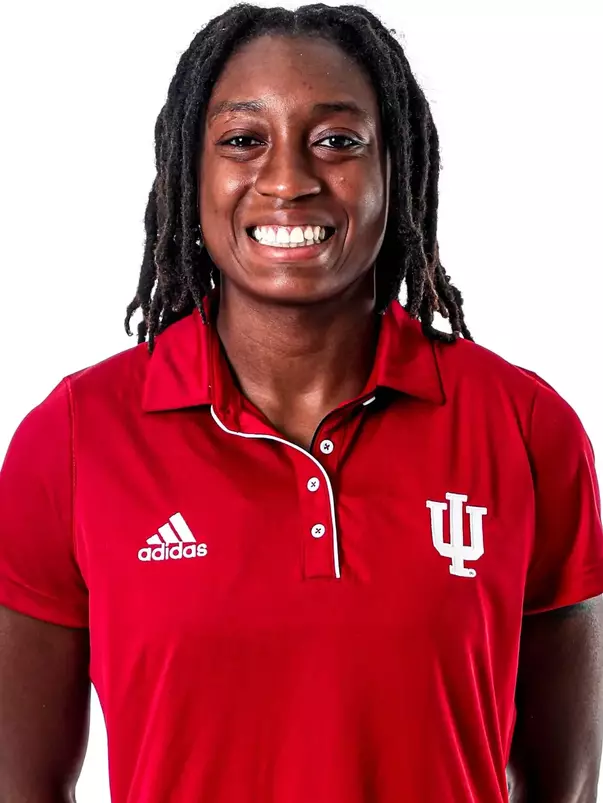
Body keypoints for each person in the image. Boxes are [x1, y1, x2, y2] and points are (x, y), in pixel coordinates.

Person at [1, 3, 602, 802]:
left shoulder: (525, 427)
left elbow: (564, 784)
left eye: (337, 141)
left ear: (398, 167)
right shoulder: (74, 437)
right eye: (244, 141)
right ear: (190, 168)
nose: (288, 180)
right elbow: (21, 783)